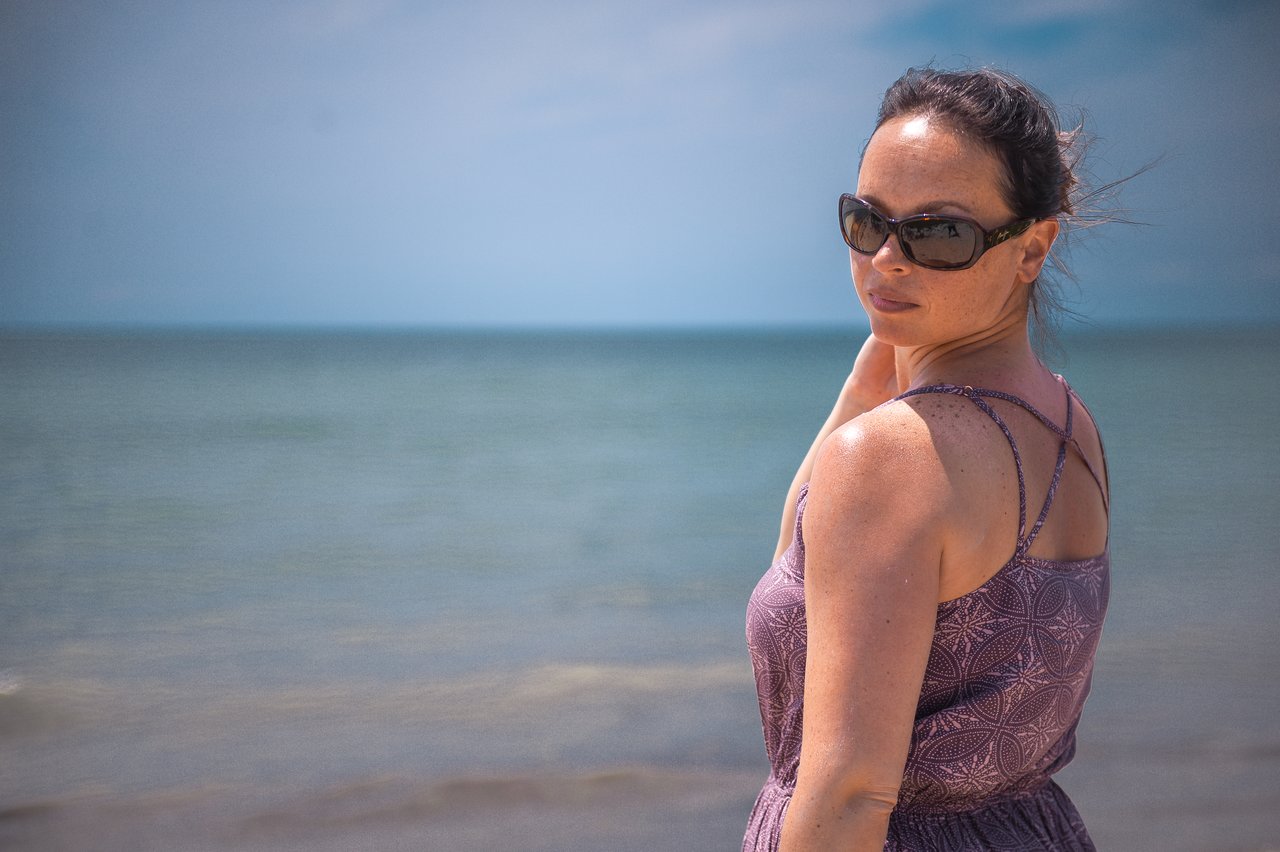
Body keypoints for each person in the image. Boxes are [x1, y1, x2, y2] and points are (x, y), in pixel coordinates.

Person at [744, 67, 1112, 851]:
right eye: (865, 221)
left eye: (938, 233)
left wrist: (868, 426)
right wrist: (865, 385)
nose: (885, 259)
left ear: (1032, 248)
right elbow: (799, 562)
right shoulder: (1069, 425)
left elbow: (848, 795)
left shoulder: (892, 459)